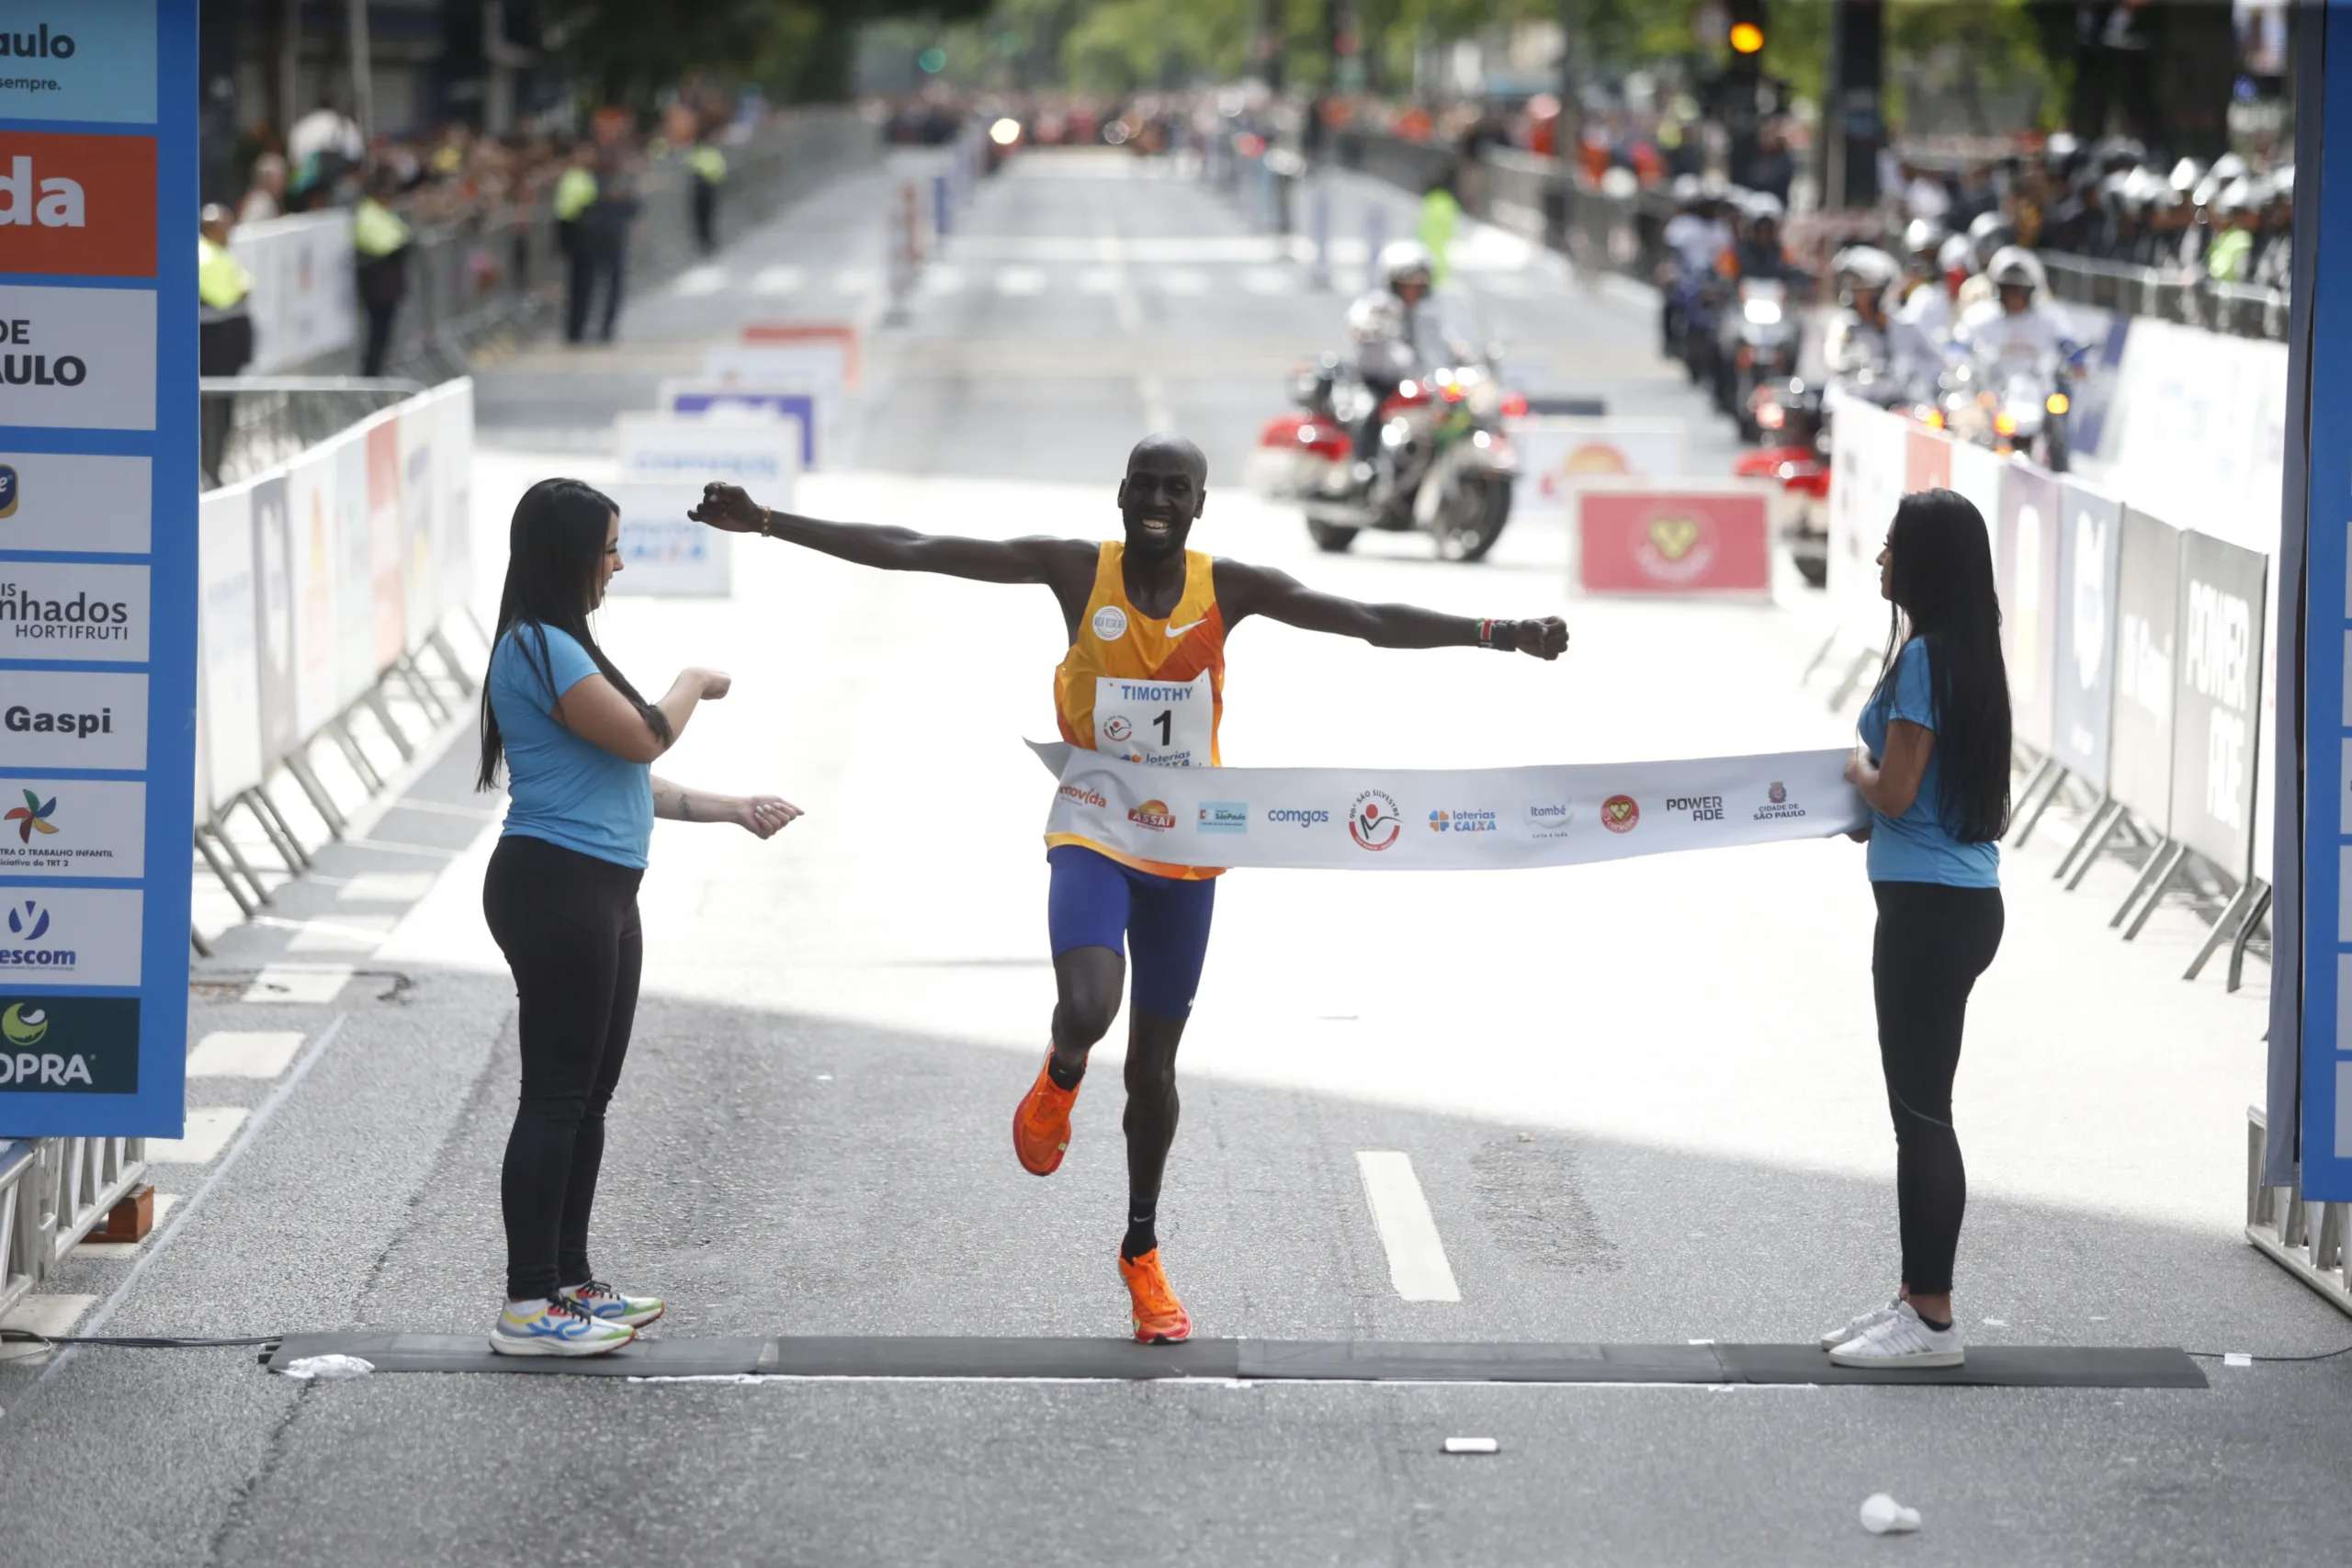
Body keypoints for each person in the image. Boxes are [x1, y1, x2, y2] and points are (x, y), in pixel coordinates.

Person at [686, 435, 1568, 1343]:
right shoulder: (1076, 572)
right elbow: (916, 547)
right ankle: (1062, 1072)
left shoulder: (1228, 589)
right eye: (1142, 484)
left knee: (1155, 1072)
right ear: (1118, 494)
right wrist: (767, 524)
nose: (1156, 499)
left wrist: (1497, 634)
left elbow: (1363, 617)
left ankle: (1141, 1253)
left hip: (1187, 850)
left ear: (1198, 505)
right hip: (1095, 826)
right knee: (1088, 1004)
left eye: (1174, 489)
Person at [477, 478, 801, 1355]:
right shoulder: (538, 647)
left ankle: (569, 1280)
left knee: (589, 1096)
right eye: (609, 548)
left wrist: (732, 807)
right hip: (556, 887)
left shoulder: (562, 645)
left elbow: (627, 776)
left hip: (601, 889)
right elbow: (647, 735)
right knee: (554, 1094)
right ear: (569, 554)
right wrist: (695, 677)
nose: (616, 563)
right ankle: (527, 1303)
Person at [1826, 489, 2010, 1370]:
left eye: (1893, 546)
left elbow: (1894, 790)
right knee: (1921, 1112)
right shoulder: (1968, 653)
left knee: (1921, 1117)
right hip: (1957, 902)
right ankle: (1913, 1296)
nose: (1881, 559)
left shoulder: (1927, 660)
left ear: (1925, 563)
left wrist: (1850, 769)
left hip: (1929, 912)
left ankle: (1931, 1319)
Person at [197, 205, 254, 486]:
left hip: (226, 354)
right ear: (210, 228)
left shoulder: (219, 254)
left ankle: (213, 470)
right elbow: (226, 296)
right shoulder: (203, 257)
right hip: (214, 356)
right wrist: (239, 292)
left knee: (222, 418)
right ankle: (209, 473)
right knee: (212, 419)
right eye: (225, 227)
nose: (229, 233)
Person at [353, 167, 413, 378]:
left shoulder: (381, 212)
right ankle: (371, 379)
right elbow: (386, 245)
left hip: (387, 287)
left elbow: (403, 236)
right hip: (378, 286)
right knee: (376, 338)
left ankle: (376, 376)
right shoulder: (367, 214)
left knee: (383, 337)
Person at [555, 142, 601, 344]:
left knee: (584, 287)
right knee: (579, 287)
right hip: (578, 236)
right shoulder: (574, 177)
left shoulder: (582, 176)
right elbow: (566, 210)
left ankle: (578, 328)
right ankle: (575, 330)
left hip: (584, 237)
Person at [688, 130, 727, 255]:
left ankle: (704, 242)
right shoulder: (714, 153)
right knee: (708, 215)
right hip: (710, 186)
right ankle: (708, 242)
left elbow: (689, 167)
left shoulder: (697, 152)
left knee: (701, 217)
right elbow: (720, 169)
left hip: (699, 187)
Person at [238, 152, 287, 226]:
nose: (283, 182)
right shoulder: (260, 202)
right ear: (266, 178)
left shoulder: (268, 199)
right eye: (279, 177)